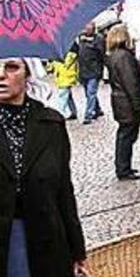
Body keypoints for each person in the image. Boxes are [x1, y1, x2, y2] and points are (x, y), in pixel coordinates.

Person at [0, 57, 87, 276]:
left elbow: (64, 191)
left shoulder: (51, 124)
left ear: (28, 73)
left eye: (11, 67)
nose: (1, 75)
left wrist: (77, 250)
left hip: (46, 239)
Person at [106, 24, 140, 180]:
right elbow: (131, 83)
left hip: (121, 102)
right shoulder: (124, 57)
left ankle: (123, 167)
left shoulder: (115, 55)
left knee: (125, 135)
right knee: (126, 136)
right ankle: (123, 168)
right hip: (126, 103)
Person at [77, 21, 105, 124]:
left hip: (94, 70)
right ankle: (97, 109)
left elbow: (101, 53)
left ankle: (88, 115)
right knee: (88, 93)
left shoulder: (99, 38)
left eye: (89, 28)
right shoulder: (80, 38)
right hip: (83, 70)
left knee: (91, 92)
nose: (87, 30)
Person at [49, 43, 80, 120]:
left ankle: (59, 114)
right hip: (63, 77)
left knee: (62, 96)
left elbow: (64, 64)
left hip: (65, 77)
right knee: (68, 96)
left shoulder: (68, 55)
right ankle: (73, 112)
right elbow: (51, 68)